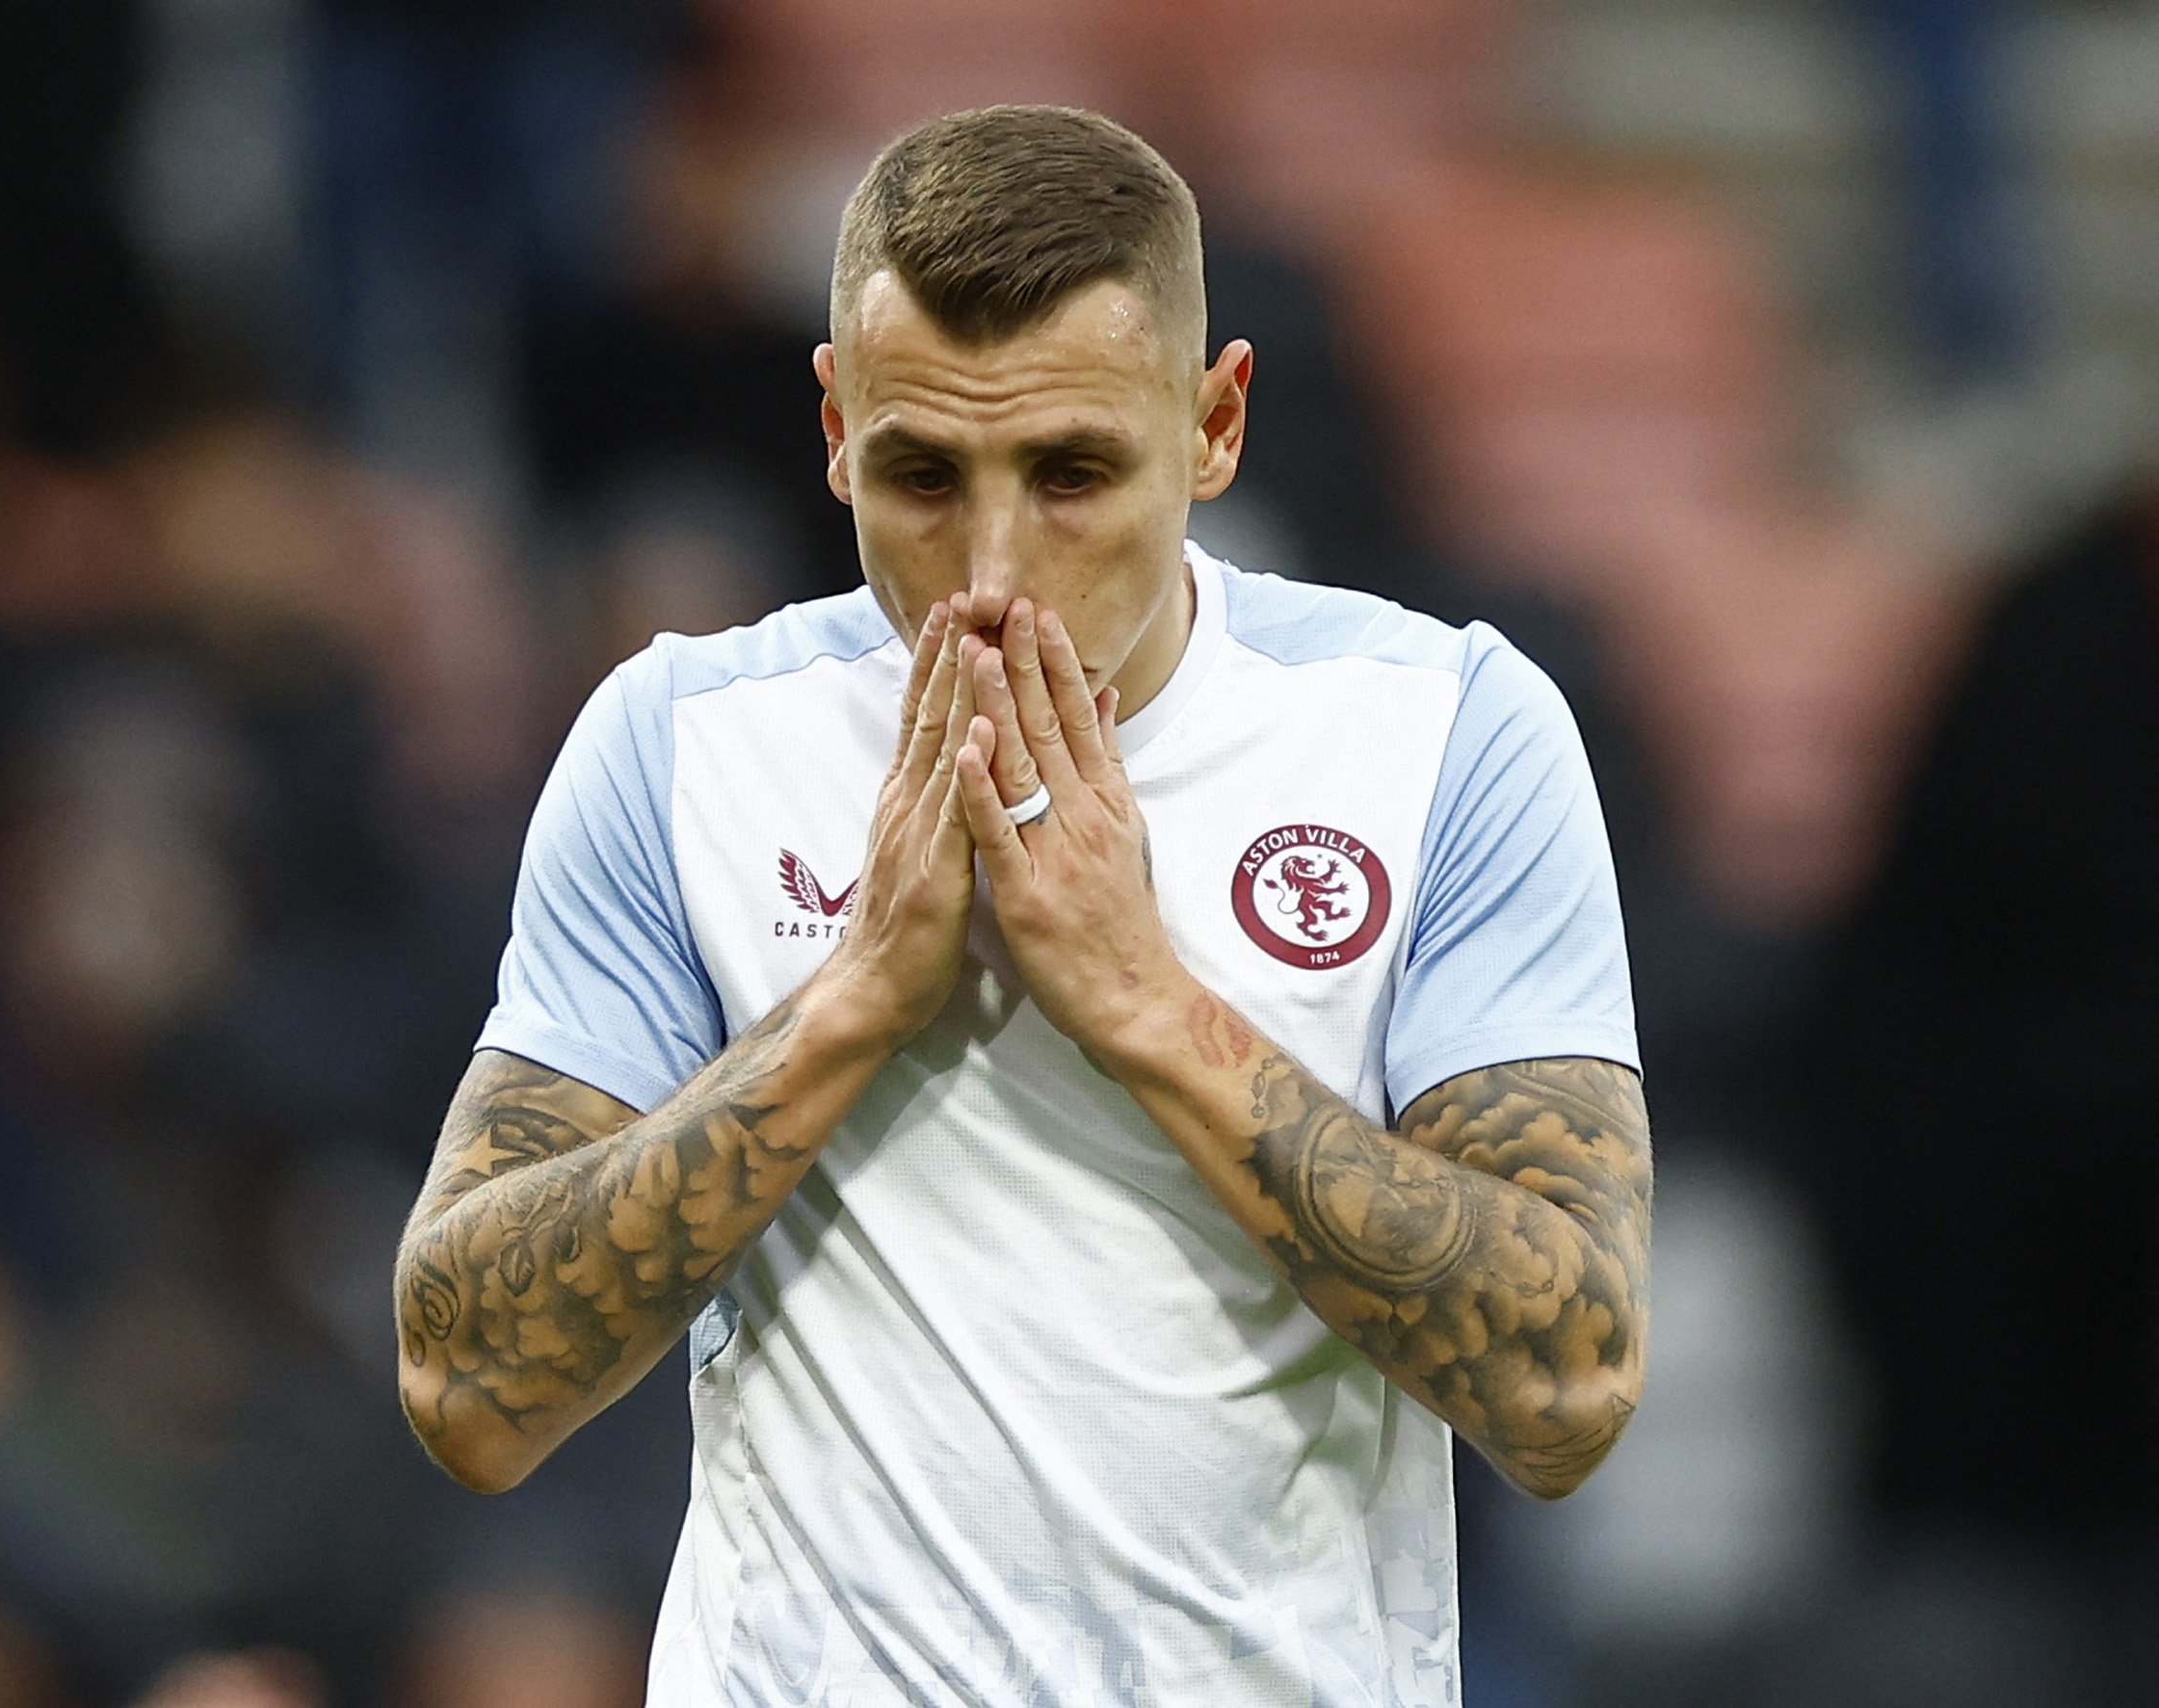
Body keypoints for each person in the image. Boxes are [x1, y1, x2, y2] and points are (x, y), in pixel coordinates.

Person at [393, 106, 1651, 1708]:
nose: (991, 567)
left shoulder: (1442, 732)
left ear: (1215, 425)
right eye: (925, 472)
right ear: (837, 424)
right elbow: (468, 1381)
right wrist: (847, 1007)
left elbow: (1570, 1380)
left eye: (1071, 473)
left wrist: (1149, 1006)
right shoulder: (682, 744)